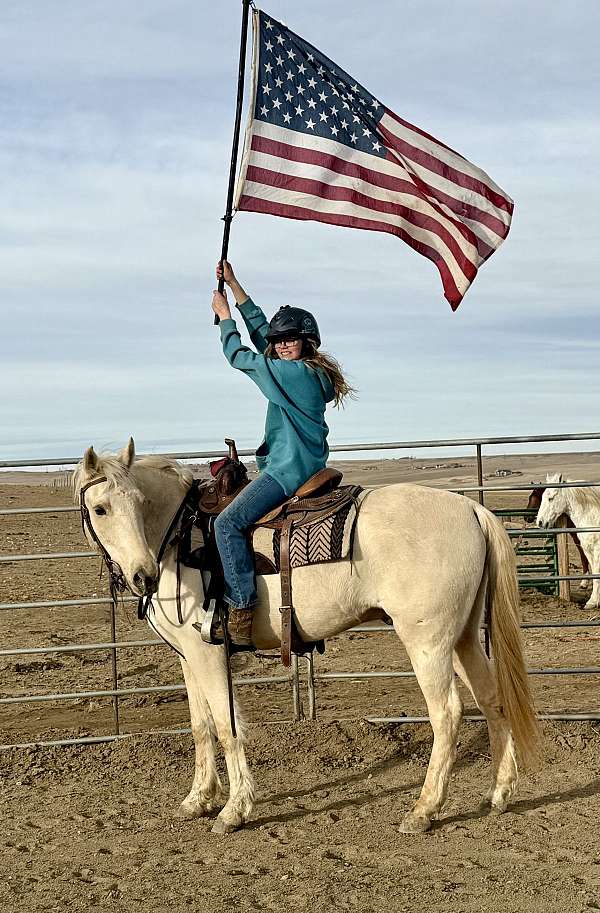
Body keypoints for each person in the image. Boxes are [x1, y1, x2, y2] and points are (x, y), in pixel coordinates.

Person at [210, 260, 354, 647]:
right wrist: (236, 286)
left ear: (306, 342)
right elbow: (264, 336)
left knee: (225, 525)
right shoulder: (311, 372)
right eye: (279, 340)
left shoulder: (294, 374)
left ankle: (240, 608)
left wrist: (225, 319)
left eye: (290, 338)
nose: (282, 344)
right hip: (306, 465)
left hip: (287, 471)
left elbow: (242, 356)